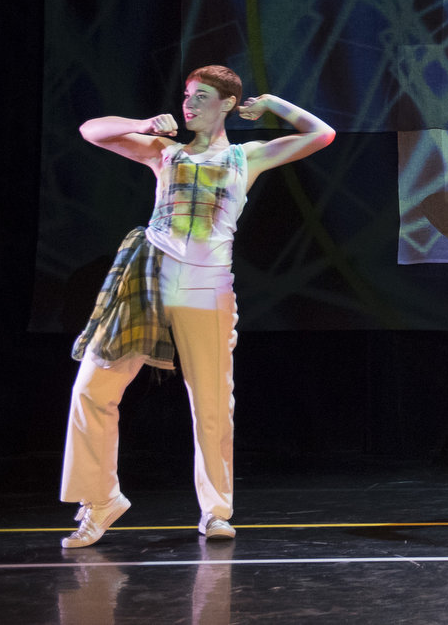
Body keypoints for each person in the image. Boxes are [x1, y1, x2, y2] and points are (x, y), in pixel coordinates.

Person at [61, 66, 335, 548]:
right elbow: (91, 130)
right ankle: (100, 500)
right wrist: (143, 124)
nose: (189, 104)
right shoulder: (165, 152)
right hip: (149, 279)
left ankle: (216, 511)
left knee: (211, 401)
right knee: (91, 389)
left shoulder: (246, 157)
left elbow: (322, 134)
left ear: (227, 103)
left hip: (206, 287)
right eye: (187, 95)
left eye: (202, 96)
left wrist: (271, 104)